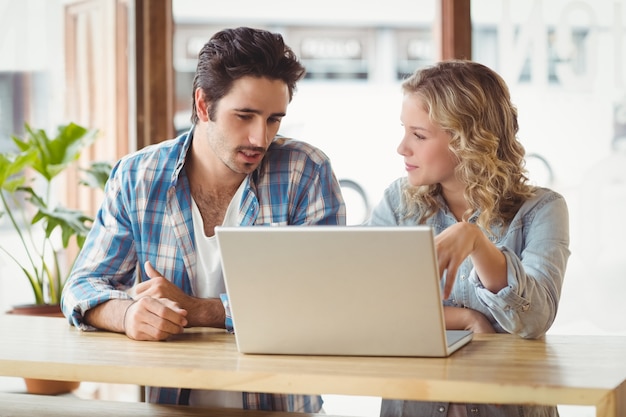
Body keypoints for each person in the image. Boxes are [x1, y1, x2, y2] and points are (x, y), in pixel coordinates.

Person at [61, 26, 345, 412]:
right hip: (171, 407)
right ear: (202, 104)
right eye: (244, 116)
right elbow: (82, 286)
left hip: (283, 407)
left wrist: (201, 310)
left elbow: (326, 302)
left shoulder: (305, 172)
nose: (260, 138)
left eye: (274, 119)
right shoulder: (138, 176)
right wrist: (127, 314)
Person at [367, 60, 570, 417]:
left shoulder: (541, 210)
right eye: (405, 130)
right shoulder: (398, 204)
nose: (402, 147)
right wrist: (468, 320)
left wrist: (476, 241)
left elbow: (534, 319)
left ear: (466, 141)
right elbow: (370, 307)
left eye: (419, 135)